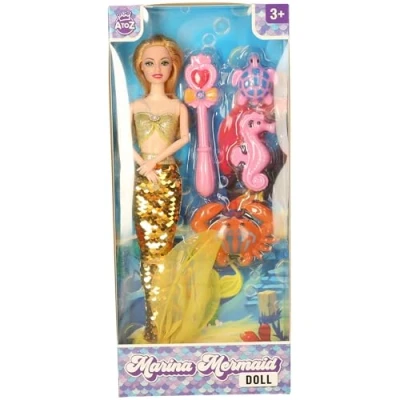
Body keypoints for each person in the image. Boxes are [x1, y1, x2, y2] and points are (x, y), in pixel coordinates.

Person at [130, 34, 189, 342]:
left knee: (164, 249)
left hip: (167, 179)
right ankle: (153, 325)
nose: (157, 69)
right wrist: (143, 163)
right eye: (150, 63)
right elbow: (121, 140)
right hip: (143, 181)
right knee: (147, 251)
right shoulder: (134, 106)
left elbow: (184, 138)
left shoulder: (178, 106)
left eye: (164, 63)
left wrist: (154, 162)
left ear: (173, 66)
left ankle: (165, 321)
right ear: (140, 66)